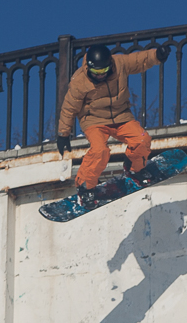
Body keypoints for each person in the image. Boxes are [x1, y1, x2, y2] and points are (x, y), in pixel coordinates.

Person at [56, 43, 171, 205]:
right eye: (96, 72)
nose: (100, 75)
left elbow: (139, 60)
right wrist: (63, 134)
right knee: (100, 151)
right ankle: (85, 186)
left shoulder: (119, 64)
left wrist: (157, 55)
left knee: (142, 140)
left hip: (121, 116)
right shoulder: (79, 81)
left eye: (103, 71)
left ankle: (135, 168)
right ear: (89, 68)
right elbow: (68, 108)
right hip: (94, 120)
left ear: (109, 64)